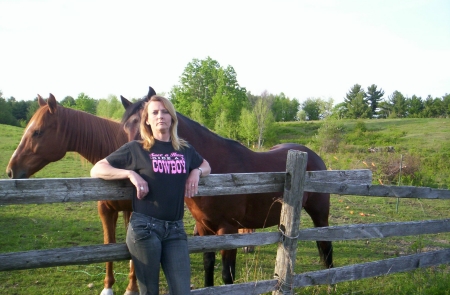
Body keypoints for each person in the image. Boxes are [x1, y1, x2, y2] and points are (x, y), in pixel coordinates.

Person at [91, 95, 211, 295]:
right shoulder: (136, 148)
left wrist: (196, 172)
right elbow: (97, 169)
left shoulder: (184, 149)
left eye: (165, 112)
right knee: (149, 291)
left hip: (175, 229)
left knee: (182, 290)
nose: (160, 116)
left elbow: (205, 165)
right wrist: (129, 174)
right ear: (147, 120)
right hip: (144, 229)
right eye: (154, 112)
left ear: (172, 118)